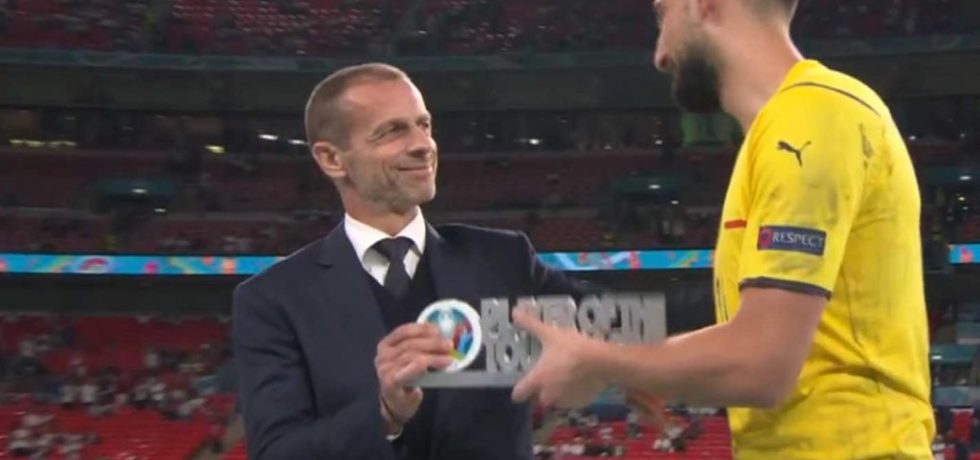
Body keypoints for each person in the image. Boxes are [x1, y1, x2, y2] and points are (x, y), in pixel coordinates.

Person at [510, 0, 934, 458]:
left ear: (702, 6)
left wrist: (599, 361)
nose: (660, 55)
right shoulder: (785, 129)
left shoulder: (809, 119)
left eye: (662, 16)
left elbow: (762, 364)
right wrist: (650, 367)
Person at [233, 63, 591, 460]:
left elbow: (614, 321)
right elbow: (276, 452)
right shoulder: (274, 300)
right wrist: (384, 413)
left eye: (424, 125)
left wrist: (628, 364)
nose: (423, 144)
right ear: (332, 158)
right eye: (393, 131)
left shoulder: (502, 259)